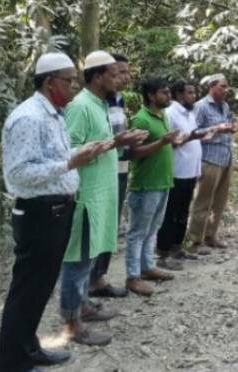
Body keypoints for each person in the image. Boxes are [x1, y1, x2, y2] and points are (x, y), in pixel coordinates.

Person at [0, 52, 110, 372]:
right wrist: (70, 162)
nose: (74, 87)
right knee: (27, 291)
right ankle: (12, 363)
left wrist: (82, 152)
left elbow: (52, 160)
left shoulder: (54, 114)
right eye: (68, 80)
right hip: (38, 213)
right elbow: (19, 174)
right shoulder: (28, 117)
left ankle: (29, 348)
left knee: (40, 289)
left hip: (56, 210)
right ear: (48, 82)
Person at [60, 51, 146, 346]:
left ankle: (82, 305)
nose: (118, 78)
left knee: (88, 256)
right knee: (77, 259)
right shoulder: (81, 106)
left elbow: (101, 146)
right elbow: (68, 154)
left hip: (100, 197)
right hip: (85, 198)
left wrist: (120, 142)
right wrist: (115, 142)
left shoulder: (100, 105)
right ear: (97, 77)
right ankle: (72, 324)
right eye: (112, 73)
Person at [124, 78, 182, 296]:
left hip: (162, 181)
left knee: (152, 228)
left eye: (169, 92)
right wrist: (162, 143)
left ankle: (147, 267)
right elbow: (134, 153)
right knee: (137, 231)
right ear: (151, 95)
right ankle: (132, 277)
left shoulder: (163, 115)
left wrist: (171, 141)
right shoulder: (140, 118)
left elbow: (162, 144)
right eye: (164, 93)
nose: (168, 96)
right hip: (146, 184)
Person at [156, 82, 214, 269]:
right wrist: (193, 137)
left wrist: (200, 136)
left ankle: (177, 247)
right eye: (190, 92)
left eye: (194, 92)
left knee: (182, 211)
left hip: (190, 170)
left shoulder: (189, 113)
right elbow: (169, 142)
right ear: (179, 94)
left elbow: (190, 136)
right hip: (177, 170)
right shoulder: (171, 113)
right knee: (170, 213)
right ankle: (163, 253)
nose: (194, 96)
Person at [88, 53, 131, 298]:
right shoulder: (91, 103)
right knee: (98, 226)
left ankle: (99, 278)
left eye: (124, 73)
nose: (123, 78)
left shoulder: (118, 100)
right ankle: (89, 280)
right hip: (102, 172)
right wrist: (119, 141)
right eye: (117, 73)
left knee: (110, 226)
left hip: (120, 168)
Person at [188, 73, 238, 253]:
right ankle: (196, 240)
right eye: (222, 86)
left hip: (225, 156)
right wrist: (216, 128)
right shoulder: (201, 107)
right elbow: (192, 133)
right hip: (209, 158)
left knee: (220, 200)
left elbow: (226, 127)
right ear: (211, 87)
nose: (226, 90)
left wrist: (232, 128)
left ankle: (211, 235)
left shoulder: (224, 106)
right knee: (203, 200)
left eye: (227, 87)